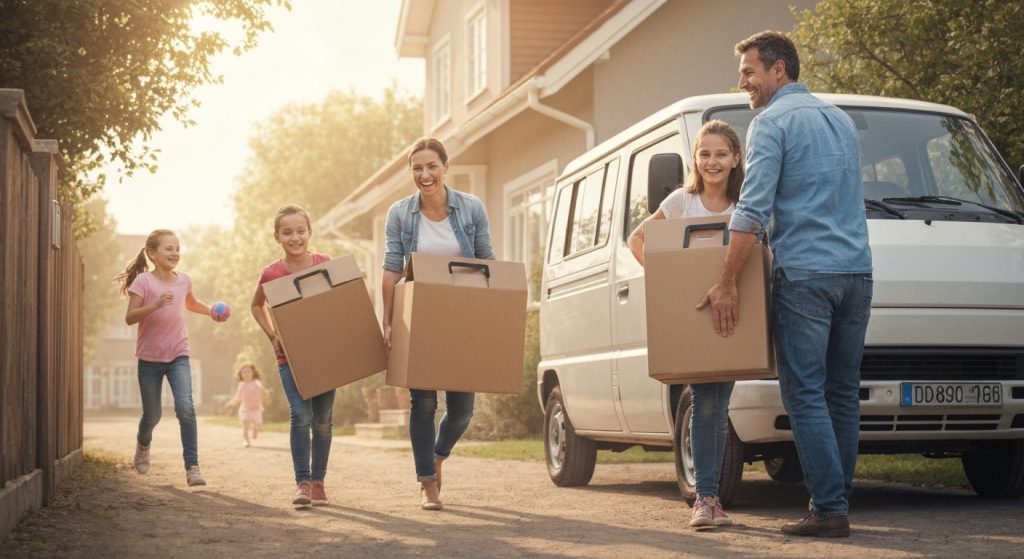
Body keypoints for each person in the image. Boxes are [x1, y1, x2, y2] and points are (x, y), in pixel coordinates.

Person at [698, 31, 873, 538]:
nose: (743, 83)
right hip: (857, 273)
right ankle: (838, 502)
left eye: (749, 72)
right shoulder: (840, 120)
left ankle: (829, 508)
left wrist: (726, 282)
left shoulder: (771, 123)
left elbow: (751, 212)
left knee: (806, 395)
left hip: (806, 275)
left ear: (779, 70)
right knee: (842, 393)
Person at [628, 120, 744, 528]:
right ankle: (705, 499)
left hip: (731, 314)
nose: (712, 162)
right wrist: (667, 282)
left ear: (735, 159)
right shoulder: (681, 202)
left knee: (721, 405)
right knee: (704, 402)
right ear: (695, 159)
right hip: (693, 313)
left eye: (721, 154)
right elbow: (637, 240)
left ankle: (711, 498)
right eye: (704, 154)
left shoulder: (743, 205)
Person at [381, 137, 494, 511]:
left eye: (432, 166)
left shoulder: (471, 208)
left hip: (463, 317)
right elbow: (392, 269)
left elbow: (487, 263)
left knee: (462, 411)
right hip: (420, 317)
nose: (425, 174)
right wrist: (388, 322)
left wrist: (489, 319)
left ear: (446, 167)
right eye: (417, 168)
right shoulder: (400, 214)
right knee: (424, 403)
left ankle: (438, 455)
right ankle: (427, 483)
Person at [114, 229, 228, 487]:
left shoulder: (184, 280)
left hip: (178, 353)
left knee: (186, 408)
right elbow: (130, 318)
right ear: (152, 254)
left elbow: (191, 303)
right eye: (169, 248)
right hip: (149, 358)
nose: (175, 253)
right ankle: (143, 445)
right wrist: (155, 305)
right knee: (152, 415)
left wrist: (211, 311)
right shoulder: (143, 282)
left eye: (177, 248)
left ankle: (192, 467)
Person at [250, 204, 336, 508]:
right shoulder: (271, 273)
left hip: (324, 356)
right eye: (287, 232)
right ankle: (302, 483)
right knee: (300, 414)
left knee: (322, 421)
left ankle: (318, 482)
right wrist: (273, 336)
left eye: (301, 231)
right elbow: (256, 305)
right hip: (289, 357)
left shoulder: (325, 264)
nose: (295, 237)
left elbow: (340, 303)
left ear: (310, 232)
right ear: (277, 237)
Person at [222, 362, 268, 447]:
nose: (246, 374)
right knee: (245, 426)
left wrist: (266, 393)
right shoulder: (241, 385)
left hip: (256, 409)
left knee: (256, 425)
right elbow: (238, 397)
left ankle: (255, 429)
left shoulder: (257, 383)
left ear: (253, 372)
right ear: (241, 374)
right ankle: (246, 440)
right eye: (244, 372)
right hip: (245, 409)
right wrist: (230, 403)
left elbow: (263, 391)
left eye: (248, 371)